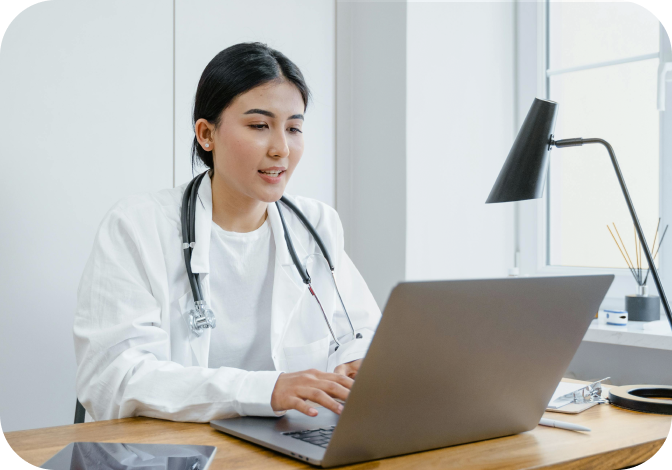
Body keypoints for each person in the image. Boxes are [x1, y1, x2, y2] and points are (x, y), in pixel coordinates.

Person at [73, 42, 381, 423]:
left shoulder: (316, 225)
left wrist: (357, 364)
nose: (282, 148)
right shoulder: (138, 227)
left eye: (294, 128)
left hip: (283, 442)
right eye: (259, 126)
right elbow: (113, 378)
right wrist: (264, 390)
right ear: (206, 134)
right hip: (168, 452)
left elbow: (359, 331)